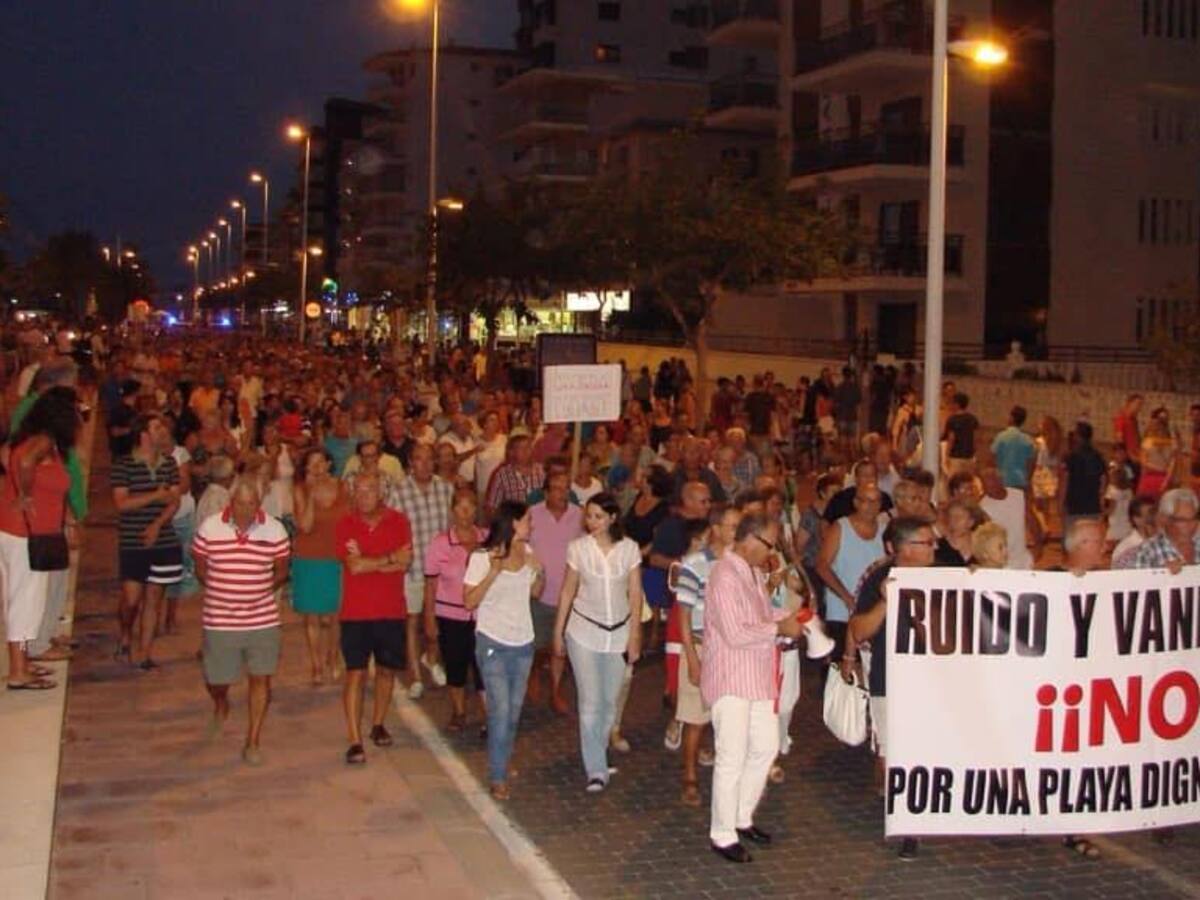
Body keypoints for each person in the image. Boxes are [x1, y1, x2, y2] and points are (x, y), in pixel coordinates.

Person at [703, 513, 805, 863]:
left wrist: (787, 620)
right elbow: (734, 633)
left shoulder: (751, 573)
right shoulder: (723, 575)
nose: (771, 552)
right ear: (751, 539)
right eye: (769, 544)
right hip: (731, 678)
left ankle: (741, 816)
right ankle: (721, 833)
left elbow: (761, 617)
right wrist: (778, 629)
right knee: (730, 755)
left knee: (766, 746)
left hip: (757, 677)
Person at [843, 517, 937, 862]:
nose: (933, 549)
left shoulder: (947, 574)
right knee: (895, 753)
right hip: (891, 680)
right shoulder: (879, 580)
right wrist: (886, 602)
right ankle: (907, 824)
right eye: (926, 543)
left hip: (936, 681)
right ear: (904, 549)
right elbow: (860, 629)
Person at [194, 477, 290, 765]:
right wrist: (216, 587)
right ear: (231, 502)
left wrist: (262, 590)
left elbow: (282, 569)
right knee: (217, 679)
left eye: (252, 504)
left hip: (262, 618)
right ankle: (221, 702)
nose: (246, 510)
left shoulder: (274, 528)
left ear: (258, 504)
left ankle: (253, 740)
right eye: (241, 503)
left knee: (261, 677)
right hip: (220, 619)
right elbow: (199, 563)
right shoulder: (211, 527)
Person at [552, 493, 643, 792]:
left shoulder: (629, 549)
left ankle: (599, 752)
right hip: (583, 631)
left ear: (613, 518)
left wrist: (635, 636)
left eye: (598, 517)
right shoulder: (578, 548)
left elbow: (634, 594)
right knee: (590, 702)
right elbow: (567, 591)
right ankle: (595, 767)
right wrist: (558, 631)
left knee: (609, 700)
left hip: (617, 632)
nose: (592, 522)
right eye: (589, 516)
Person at [464, 501, 545, 801]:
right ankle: (497, 775)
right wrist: (493, 573)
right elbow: (469, 601)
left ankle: (502, 758)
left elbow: (535, 594)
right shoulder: (482, 557)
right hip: (492, 643)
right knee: (500, 711)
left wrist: (539, 574)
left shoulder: (528, 554)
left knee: (513, 712)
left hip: (523, 643)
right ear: (513, 523)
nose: (531, 525)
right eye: (527, 520)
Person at [1, 388, 79, 690]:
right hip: (26, 533)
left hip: (18, 530)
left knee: (20, 598)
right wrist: (24, 494)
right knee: (25, 601)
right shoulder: (44, 441)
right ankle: (19, 670)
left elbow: (12, 459)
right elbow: (23, 464)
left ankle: (23, 663)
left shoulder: (29, 439)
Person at [335, 471, 413, 765]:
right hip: (355, 612)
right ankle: (355, 740)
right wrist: (388, 559)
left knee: (386, 671)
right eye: (358, 489)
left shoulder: (398, 521)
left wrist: (374, 562)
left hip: (390, 609)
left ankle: (378, 723)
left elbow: (405, 563)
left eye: (369, 490)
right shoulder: (346, 524)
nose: (363, 495)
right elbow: (353, 567)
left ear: (382, 493)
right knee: (355, 673)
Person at [674, 508, 736, 806]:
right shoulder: (695, 564)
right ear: (715, 527)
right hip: (701, 645)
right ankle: (689, 776)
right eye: (732, 525)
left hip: (731, 650)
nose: (737, 531)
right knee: (695, 718)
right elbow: (684, 614)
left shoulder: (740, 562)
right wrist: (691, 657)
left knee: (727, 718)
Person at [111, 414, 183, 668]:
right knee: (131, 598)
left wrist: (156, 523)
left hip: (162, 538)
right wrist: (155, 495)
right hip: (132, 539)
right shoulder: (124, 464)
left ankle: (145, 650)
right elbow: (121, 503)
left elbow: (174, 500)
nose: (162, 430)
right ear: (143, 434)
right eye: (156, 426)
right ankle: (126, 632)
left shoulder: (169, 463)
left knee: (154, 597)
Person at [424, 488, 487, 733]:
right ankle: (459, 711)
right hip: (451, 615)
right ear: (452, 511)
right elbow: (431, 584)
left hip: (482, 616)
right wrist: (430, 620)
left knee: (483, 666)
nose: (466, 512)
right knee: (456, 665)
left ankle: (487, 715)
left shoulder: (487, 538)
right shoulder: (441, 543)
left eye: (470, 506)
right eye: (460, 507)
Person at [395, 443, 453, 700]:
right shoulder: (399, 491)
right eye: (420, 459)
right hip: (413, 568)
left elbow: (451, 528)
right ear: (411, 462)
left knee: (437, 623)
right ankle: (416, 676)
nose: (426, 464)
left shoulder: (446, 489)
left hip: (441, 571)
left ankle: (432, 658)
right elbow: (393, 529)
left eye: (430, 459)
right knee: (412, 621)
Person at [292, 447, 349, 685]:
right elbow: (304, 526)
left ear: (328, 463)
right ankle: (316, 664)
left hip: (336, 557)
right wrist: (312, 497)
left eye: (320, 463)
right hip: (309, 557)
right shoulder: (300, 490)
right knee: (312, 617)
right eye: (311, 464)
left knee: (336, 614)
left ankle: (333, 657)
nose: (316, 468)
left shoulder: (343, 487)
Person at [528, 470, 583, 714]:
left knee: (560, 647)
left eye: (566, 488)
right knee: (538, 646)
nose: (563, 494)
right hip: (538, 593)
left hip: (567, 594)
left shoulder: (579, 515)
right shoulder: (533, 514)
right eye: (558, 489)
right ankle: (535, 673)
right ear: (546, 492)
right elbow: (522, 547)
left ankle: (556, 689)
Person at [815, 484, 885, 650]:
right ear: (856, 502)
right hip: (841, 612)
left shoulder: (885, 530)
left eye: (875, 502)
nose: (871, 506)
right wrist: (846, 597)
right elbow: (822, 566)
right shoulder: (840, 528)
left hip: (871, 613)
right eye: (866, 501)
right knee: (839, 668)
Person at [979, 466, 1037, 568]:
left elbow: (1032, 520)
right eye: (985, 483)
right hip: (1000, 563)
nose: (989, 486)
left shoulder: (1018, 495)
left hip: (1023, 559)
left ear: (1000, 480)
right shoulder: (983, 507)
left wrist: (1039, 546)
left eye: (992, 481)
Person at [1062, 421, 1108, 538]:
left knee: (1072, 539)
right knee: (1089, 537)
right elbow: (1104, 479)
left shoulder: (1071, 457)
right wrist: (1101, 498)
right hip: (1092, 504)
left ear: (1078, 436)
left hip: (1075, 503)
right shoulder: (1098, 456)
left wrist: (1061, 500)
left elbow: (1065, 481)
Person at [991, 405, 1037, 491]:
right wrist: (1027, 479)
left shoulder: (1001, 436)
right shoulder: (1028, 440)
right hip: (1020, 481)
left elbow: (992, 458)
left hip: (1002, 480)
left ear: (1011, 418)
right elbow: (1032, 463)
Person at [1138, 407, 1177, 498]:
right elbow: (1143, 462)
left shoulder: (1171, 443)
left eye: (1161, 427)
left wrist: (1167, 480)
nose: (1159, 430)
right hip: (1149, 477)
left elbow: (1173, 463)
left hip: (1165, 478)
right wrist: (1160, 469)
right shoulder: (1148, 442)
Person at [941, 392, 978, 483]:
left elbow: (951, 438)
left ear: (957, 404)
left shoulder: (952, 420)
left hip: (956, 457)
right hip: (969, 456)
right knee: (968, 481)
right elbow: (975, 438)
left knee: (953, 482)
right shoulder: (972, 419)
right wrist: (975, 454)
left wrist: (946, 456)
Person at [1111, 494, 1157, 565]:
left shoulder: (1167, 543)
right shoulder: (1126, 548)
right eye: (1151, 513)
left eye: (1156, 512)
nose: (1155, 517)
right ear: (1136, 519)